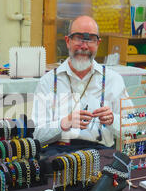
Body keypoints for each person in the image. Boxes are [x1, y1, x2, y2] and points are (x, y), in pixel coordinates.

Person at [32, 15, 135, 157]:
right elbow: (37, 135)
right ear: (67, 41)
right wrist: (64, 123)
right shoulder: (48, 82)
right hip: (57, 154)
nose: (84, 46)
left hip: (100, 153)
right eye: (78, 38)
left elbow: (133, 127)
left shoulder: (113, 80)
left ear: (98, 43)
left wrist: (113, 120)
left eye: (91, 39)